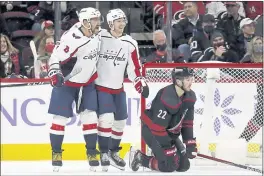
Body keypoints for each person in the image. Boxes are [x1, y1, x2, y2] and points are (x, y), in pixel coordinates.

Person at [47, 7, 103, 172]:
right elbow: (55, 57)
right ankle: (56, 153)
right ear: (85, 22)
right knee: (60, 119)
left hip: (87, 82)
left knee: (90, 117)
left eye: (98, 19)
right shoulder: (72, 38)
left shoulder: (98, 33)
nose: (98, 23)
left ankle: (92, 152)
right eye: (94, 20)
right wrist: (55, 72)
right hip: (68, 83)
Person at [95, 9, 149, 171]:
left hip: (118, 89)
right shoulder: (100, 36)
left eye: (123, 20)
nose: (122, 24)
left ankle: (112, 152)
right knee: (106, 119)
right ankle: (103, 153)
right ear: (110, 23)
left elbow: (134, 67)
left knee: (120, 122)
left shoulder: (130, 42)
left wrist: (139, 81)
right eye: (118, 21)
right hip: (101, 87)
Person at [129, 67, 197, 173]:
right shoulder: (167, 97)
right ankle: (141, 158)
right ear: (178, 81)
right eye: (188, 79)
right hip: (152, 132)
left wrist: (190, 144)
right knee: (169, 165)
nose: (191, 82)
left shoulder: (190, 96)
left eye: (191, 79)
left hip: (169, 134)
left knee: (183, 166)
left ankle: (160, 154)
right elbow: (157, 129)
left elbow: (187, 123)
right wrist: (169, 148)